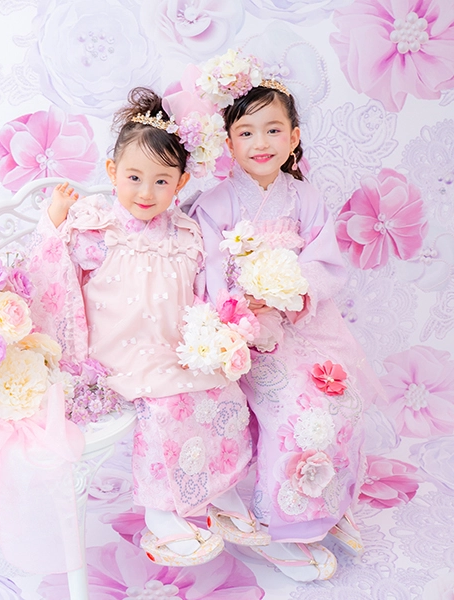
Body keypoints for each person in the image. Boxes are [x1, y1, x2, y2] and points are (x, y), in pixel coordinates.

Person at [29, 87, 270, 567]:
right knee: (168, 407)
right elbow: (53, 276)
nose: (145, 192)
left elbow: (200, 292)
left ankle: (216, 490)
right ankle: (162, 512)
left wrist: (212, 337)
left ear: (181, 182)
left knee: (223, 393)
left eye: (161, 181)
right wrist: (54, 222)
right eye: (134, 178)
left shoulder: (186, 233)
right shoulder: (98, 229)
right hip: (119, 351)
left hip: (171, 345)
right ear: (112, 172)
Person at [189, 52, 385, 581]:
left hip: (304, 324)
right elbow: (207, 272)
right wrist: (239, 305)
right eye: (246, 132)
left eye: (273, 129)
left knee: (342, 400)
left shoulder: (306, 198)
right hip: (246, 333)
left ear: (294, 137)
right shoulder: (215, 204)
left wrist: (293, 290)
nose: (261, 143)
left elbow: (324, 264)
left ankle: (329, 501)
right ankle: (283, 526)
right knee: (299, 410)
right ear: (228, 143)